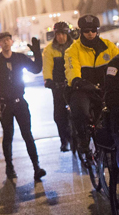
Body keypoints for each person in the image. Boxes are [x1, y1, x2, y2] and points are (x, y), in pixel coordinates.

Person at [0, 32, 47, 180]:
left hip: (20, 102)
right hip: (4, 104)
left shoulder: (20, 57)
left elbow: (37, 69)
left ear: (12, 42)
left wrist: (37, 52)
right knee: (8, 136)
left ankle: (36, 167)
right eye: (2, 41)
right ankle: (9, 167)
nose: (6, 43)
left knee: (28, 135)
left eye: (8, 40)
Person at [65, 14, 119, 161]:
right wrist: (77, 80)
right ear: (81, 32)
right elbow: (71, 68)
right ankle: (83, 140)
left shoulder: (109, 46)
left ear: (97, 31)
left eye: (93, 30)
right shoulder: (73, 50)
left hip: (105, 88)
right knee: (80, 111)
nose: (90, 33)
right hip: (84, 89)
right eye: (86, 31)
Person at [43, 21, 74, 152]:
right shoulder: (49, 49)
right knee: (59, 115)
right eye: (58, 34)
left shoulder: (75, 46)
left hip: (73, 84)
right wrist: (48, 80)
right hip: (58, 86)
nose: (60, 37)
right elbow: (47, 66)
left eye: (63, 34)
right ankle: (64, 140)